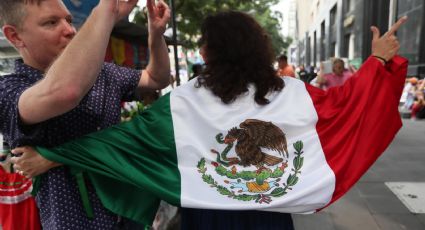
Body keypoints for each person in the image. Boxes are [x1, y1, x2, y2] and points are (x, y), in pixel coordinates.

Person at [12, 12, 407, 230]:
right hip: (270, 220)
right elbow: (349, 106)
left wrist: (55, 155)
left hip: (208, 219)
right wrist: (376, 62)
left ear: (208, 50)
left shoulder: (186, 102)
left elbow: (127, 141)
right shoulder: (292, 93)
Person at [0, 0, 171, 229]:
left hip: (128, 211)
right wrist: (106, 10)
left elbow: (157, 78)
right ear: (15, 36)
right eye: (51, 22)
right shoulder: (8, 90)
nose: (69, 30)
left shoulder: (105, 72)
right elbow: (65, 91)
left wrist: (156, 34)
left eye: (69, 20)